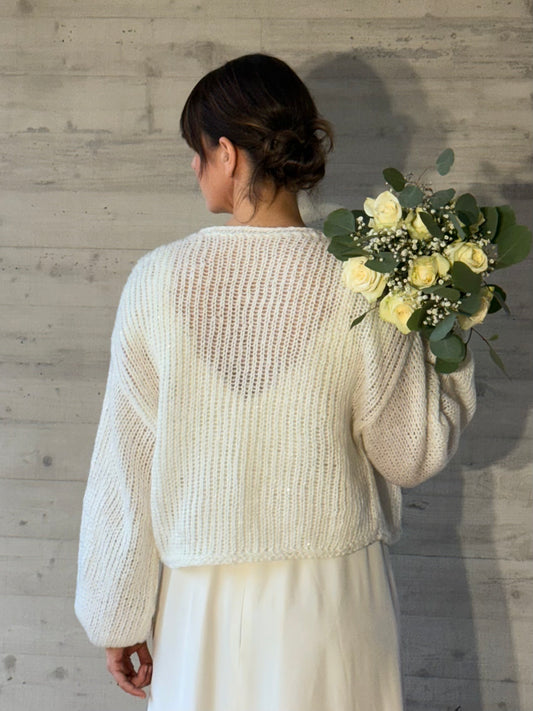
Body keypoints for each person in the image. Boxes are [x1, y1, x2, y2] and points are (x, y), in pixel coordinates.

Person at [74, 53, 476, 710]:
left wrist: (116, 616)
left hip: (200, 604)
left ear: (227, 154)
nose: (194, 167)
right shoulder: (363, 283)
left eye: (198, 151)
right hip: (334, 598)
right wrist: (450, 327)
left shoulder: (155, 283)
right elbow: (409, 454)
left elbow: (126, 462)